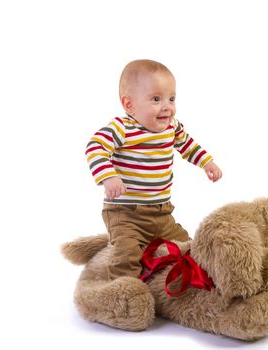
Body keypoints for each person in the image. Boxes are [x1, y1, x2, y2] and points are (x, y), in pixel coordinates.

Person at [86, 59, 222, 280]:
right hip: (126, 214)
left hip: (162, 213)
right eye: (156, 99)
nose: (167, 106)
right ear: (129, 105)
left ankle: (181, 285)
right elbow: (95, 146)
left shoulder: (171, 127)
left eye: (171, 98)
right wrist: (109, 177)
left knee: (187, 249)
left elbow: (188, 144)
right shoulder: (123, 127)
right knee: (127, 256)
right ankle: (124, 295)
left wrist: (207, 162)